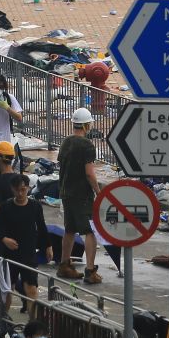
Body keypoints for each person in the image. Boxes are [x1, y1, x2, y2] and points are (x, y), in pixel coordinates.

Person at [56, 107, 102, 284]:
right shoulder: (87, 145)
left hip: (66, 192)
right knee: (90, 232)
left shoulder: (66, 142)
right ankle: (90, 271)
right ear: (86, 125)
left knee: (70, 229)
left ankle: (64, 265)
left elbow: (62, 165)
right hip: (82, 195)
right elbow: (89, 173)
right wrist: (98, 192)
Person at [0, 174, 48, 312]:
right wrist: (5, 239)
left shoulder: (35, 206)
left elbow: (41, 227)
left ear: (28, 188)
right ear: (12, 189)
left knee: (32, 290)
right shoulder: (5, 207)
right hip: (9, 255)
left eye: (23, 189)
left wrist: (48, 246)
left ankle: (32, 325)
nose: (21, 193)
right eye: (17, 190)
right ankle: (3, 322)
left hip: (28, 254)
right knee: (7, 290)